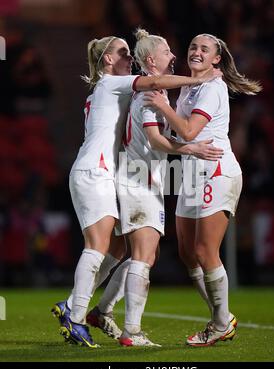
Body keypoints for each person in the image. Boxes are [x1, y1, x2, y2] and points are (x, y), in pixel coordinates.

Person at [51, 35, 224, 348]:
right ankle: (115, 326)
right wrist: (191, 145)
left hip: (122, 174)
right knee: (117, 249)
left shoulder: (127, 89)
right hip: (122, 175)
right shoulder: (129, 88)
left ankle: (92, 310)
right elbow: (156, 137)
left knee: (124, 251)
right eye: (123, 52)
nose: (175, 54)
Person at [144, 33, 262, 346]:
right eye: (193, 46)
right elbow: (179, 134)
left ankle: (220, 322)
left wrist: (161, 106)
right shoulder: (189, 85)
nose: (196, 51)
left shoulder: (212, 88)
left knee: (204, 250)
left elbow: (189, 130)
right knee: (187, 252)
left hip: (217, 171)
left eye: (204, 49)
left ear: (216, 59)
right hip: (192, 173)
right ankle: (221, 317)